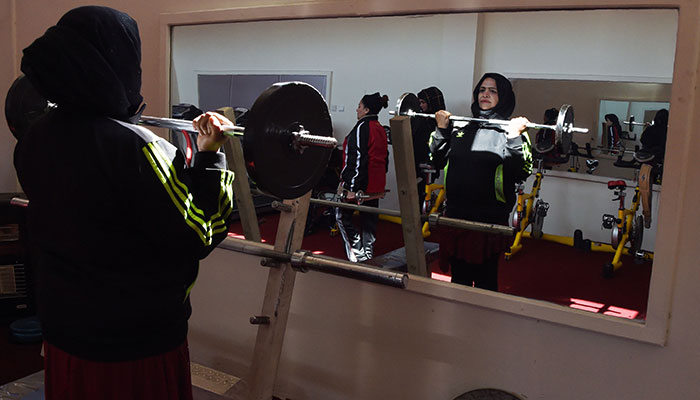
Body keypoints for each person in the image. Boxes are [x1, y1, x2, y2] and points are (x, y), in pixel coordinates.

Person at [13, 6, 234, 399]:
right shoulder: (142, 148)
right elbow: (200, 230)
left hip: (65, 331)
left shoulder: (35, 136)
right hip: (133, 347)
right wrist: (211, 155)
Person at [430, 73, 532, 290]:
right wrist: (441, 130)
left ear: (503, 96)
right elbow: (437, 160)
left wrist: (514, 137)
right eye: (482, 90)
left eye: (493, 91)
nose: (485, 94)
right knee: (459, 282)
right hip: (456, 216)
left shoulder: (512, 131)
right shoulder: (461, 127)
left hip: (488, 221)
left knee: (485, 283)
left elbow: (520, 172)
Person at [336, 92, 389, 262]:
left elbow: (357, 159)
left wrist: (350, 187)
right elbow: (384, 159)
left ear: (366, 110)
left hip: (360, 186)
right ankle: (368, 256)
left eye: (359, 106)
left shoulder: (361, 128)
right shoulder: (380, 128)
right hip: (375, 185)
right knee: (369, 222)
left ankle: (357, 255)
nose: (356, 109)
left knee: (341, 217)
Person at [414, 87, 446, 212]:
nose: (421, 106)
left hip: (429, 167)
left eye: (423, 102)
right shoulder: (419, 120)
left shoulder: (441, 123)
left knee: (424, 196)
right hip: (416, 164)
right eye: (419, 103)